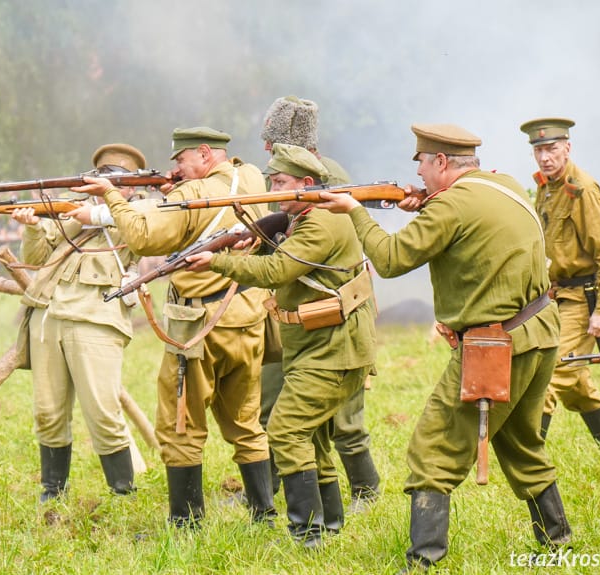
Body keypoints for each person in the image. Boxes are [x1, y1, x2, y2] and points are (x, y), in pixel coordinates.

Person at [316, 124, 571, 571]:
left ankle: (424, 561)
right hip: (540, 331)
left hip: (497, 345)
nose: (419, 172)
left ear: (440, 163)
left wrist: (356, 211)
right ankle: (559, 542)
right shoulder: (504, 185)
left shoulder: (451, 204)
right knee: (519, 443)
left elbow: (391, 260)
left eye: (422, 163)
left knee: (431, 451)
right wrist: (428, 205)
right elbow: (472, 230)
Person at [72, 127, 276, 529]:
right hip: (247, 316)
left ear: (203, 154)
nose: (176, 169)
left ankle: (186, 523)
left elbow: (144, 236)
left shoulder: (190, 196)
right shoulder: (251, 175)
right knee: (247, 421)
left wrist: (111, 196)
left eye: (181, 161)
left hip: (197, 328)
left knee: (180, 423)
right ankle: (264, 514)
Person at [186, 143, 377, 548]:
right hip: (318, 345)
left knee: (288, 431)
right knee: (313, 437)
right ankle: (330, 524)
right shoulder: (307, 215)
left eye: (282, 182)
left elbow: (279, 270)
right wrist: (251, 241)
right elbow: (284, 254)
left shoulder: (320, 222)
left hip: (333, 348)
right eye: (272, 180)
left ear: (307, 184)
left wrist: (217, 261)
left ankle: (306, 535)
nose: (274, 189)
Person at [259, 95, 381, 511]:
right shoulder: (288, 180)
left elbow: (318, 235)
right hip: (306, 310)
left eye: (272, 143)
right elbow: (284, 222)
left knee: (344, 418)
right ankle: (309, 504)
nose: (267, 154)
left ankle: (363, 491)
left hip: (337, 307)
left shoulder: (326, 177)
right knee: (292, 414)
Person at [11, 143, 149, 507]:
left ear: (133, 186)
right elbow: (37, 259)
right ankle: (53, 489)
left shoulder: (140, 212)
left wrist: (101, 210)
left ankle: (123, 492)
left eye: (116, 179)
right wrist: (31, 228)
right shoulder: (74, 212)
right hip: (49, 312)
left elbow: (146, 237)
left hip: (97, 316)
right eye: (102, 177)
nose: (107, 184)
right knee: (48, 409)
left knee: (103, 410)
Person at [519, 118, 600, 456]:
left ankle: (527, 461)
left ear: (567, 147)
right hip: (558, 297)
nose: (545, 157)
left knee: (550, 377)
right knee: (576, 384)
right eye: (539, 150)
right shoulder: (547, 187)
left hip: (583, 299)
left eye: (551, 149)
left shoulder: (581, 188)